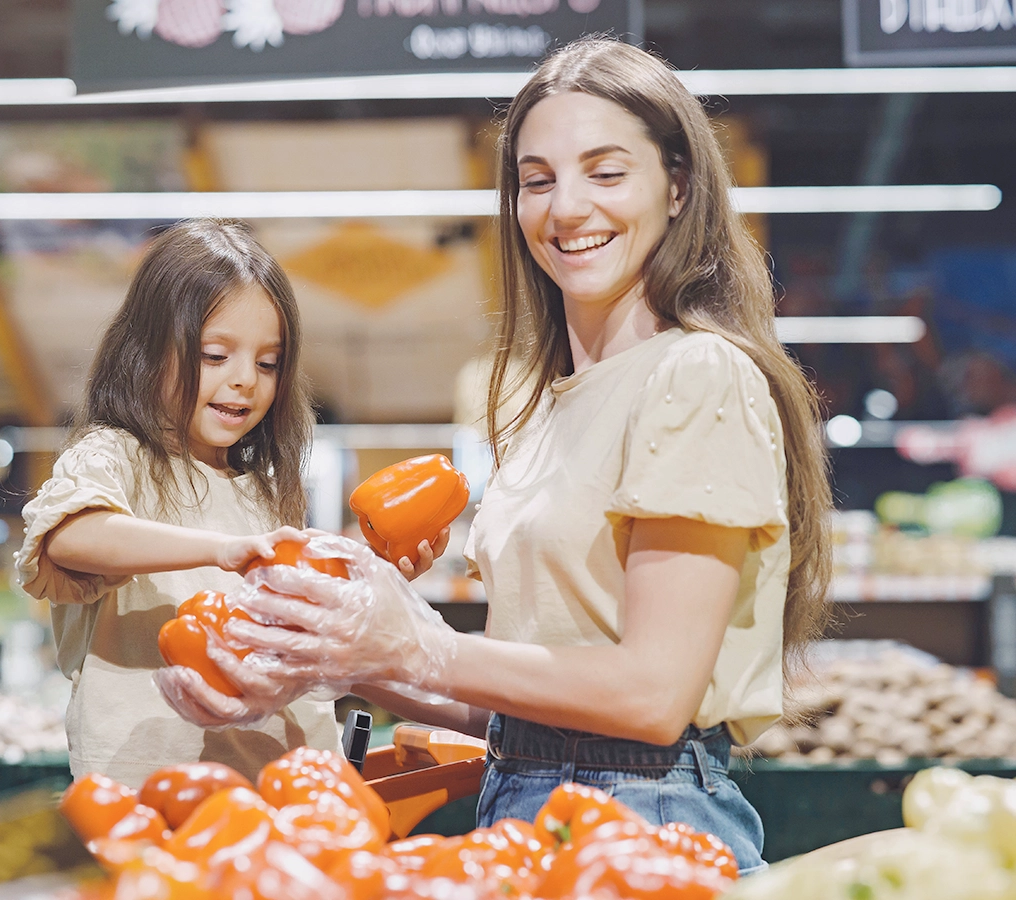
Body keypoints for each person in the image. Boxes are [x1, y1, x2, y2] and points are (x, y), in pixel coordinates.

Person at [161, 38, 833, 876]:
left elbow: (653, 698)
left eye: (606, 172)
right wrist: (329, 659)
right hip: (526, 802)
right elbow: (526, 707)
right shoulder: (546, 405)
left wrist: (417, 646)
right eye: (537, 179)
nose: (566, 208)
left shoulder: (695, 374)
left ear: (679, 186)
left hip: (646, 815)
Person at [14, 218, 344, 788]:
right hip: (147, 794)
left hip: (275, 790)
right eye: (215, 356)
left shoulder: (261, 488)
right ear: (146, 351)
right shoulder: (115, 458)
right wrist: (222, 550)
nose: (246, 380)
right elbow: (70, 535)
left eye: (268, 363)